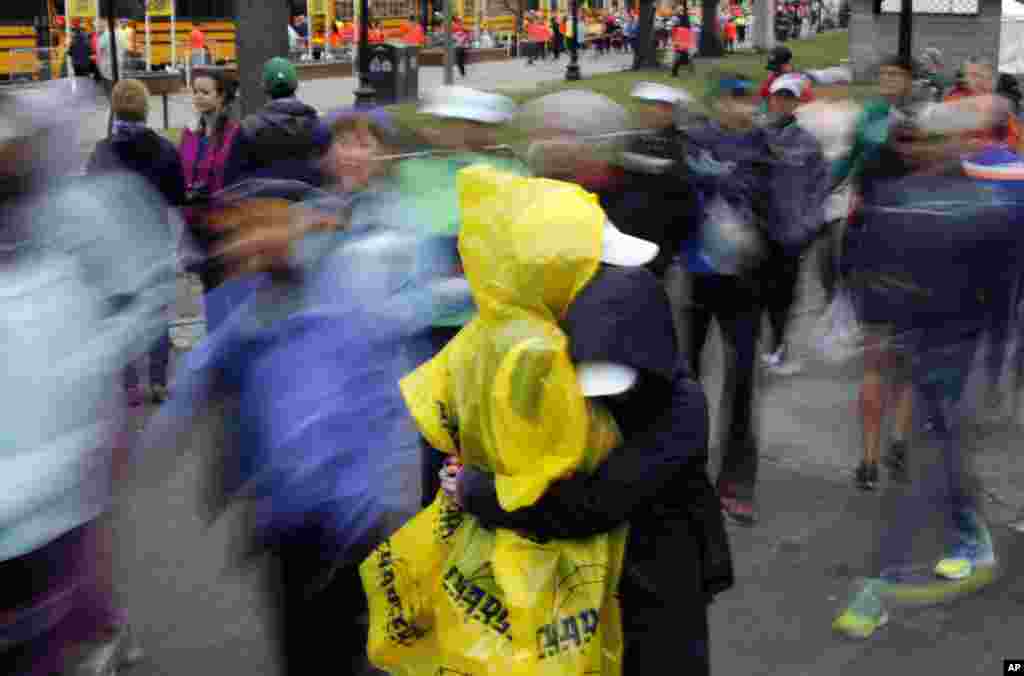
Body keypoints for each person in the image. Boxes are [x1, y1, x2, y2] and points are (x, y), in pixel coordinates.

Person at [410, 167, 732, 676]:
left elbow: (594, 502)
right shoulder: (518, 358)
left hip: (639, 595)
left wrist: (477, 491)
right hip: (588, 601)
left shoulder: (650, 384)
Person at [0, 87, 175, 676]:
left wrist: (101, 357)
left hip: (52, 476)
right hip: (49, 472)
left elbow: (145, 283)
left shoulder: (77, 217)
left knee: (68, 570)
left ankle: (98, 628)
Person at [827, 56, 917, 490]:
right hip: (915, 274)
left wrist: (846, 282)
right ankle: (897, 440)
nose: (888, 81)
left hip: (876, 273)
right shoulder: (923, 185)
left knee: (876, 365)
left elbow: (847, 249)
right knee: (904, 366)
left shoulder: (865, 202)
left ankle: (868, 460)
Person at [86, 79, 185, 406]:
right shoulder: (164, 150)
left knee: (123, 312)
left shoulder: (102, 152)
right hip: (154, 241)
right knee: (157, 313)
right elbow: (177, 197)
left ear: (114, 110)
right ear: (146, 109)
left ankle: (130, 386)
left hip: (117, 245)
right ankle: (157, 381)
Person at [178, 68, 245, 326]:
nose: (198, 97)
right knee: (211, 297)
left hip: (226, 226)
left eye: (205, 92)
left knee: (233, 296)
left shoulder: (235, 134)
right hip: (199, 226)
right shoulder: (190, 134)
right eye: (195, 91)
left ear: (221, 97)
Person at [235, 57, 331, 186]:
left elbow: (238, 177)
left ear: (264, 87)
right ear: (296, 85)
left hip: (265, 197)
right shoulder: (320, 125)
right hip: (311, 197)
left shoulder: (248, 128)